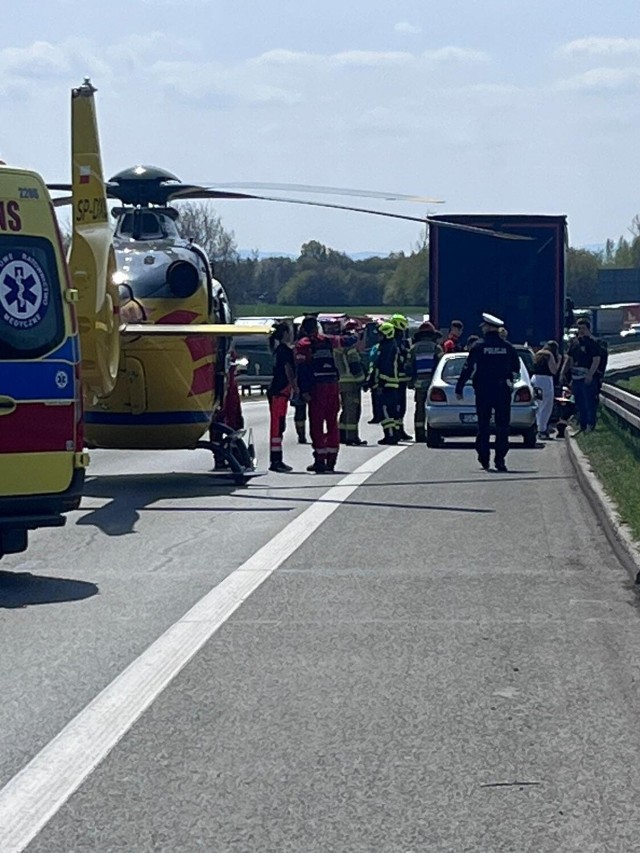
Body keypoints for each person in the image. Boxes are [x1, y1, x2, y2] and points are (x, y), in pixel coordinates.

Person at [455, 312, 520, 472]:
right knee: (502, 426)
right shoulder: (507, 347)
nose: (483, 328)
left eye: (484, 326)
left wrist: (460, 387)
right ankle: (500, 460)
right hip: (502, 391)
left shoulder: (479, 346)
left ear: (489, 327)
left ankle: (484, 457)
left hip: (483, 391)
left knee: (483, 424)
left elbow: (468, 367)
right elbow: (516, 369)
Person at [295, 316, 358, 473]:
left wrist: (304, 391)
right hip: (332, 386)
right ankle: (332, 460)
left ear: (303, 329)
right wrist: (356, 334)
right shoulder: (328, 340)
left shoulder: (303, 345)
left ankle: (320, 460)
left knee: (317, 425)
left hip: (317, 388)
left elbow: (302, 370)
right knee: (332, 424)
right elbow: (347, 341)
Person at [267, 322, 297, 472]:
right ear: (285, 333)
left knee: (279, 427)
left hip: (279, 393)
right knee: (277, 428)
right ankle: (275, 461)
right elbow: (288, 369)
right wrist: (296, 387)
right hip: (279, 392)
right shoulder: (284, 350)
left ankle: (277, 459)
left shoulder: (279, 349)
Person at [563, 317, 601, 434]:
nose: (581, 331)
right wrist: (562, 373)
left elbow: (596, 359)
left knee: (588, 402)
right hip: (575, 378)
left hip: (587, 377)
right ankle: (582, 425)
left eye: (583, 328)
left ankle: (590, 425)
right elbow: (569, 359)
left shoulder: (592, 343)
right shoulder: (574, 343)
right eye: (579, 328)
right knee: (579, 403)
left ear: (588, 329)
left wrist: (590, 375)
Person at [407, 321, 442, 442]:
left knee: (420, 408)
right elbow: (440, 366)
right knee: (433, 408)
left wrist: (411, 381)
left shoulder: (413, 349)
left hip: (419, 383)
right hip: (433, 384)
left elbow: (408, 366)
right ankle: (434, 431)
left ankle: (419, 433)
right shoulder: (436, 348)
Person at [335, 319, 367, 446]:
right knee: (353, 410)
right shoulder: (350, 345)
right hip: (351, 382)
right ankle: (352, 437)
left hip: (341, 382)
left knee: (345, 409)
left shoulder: (339, 344)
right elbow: (354, 365)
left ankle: (341, 434)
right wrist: (362, 380)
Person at [373, 321, 401, 444]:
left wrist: (380, 383)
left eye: (380, 334)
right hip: (391, 384)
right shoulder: (390, 345)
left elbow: (384, 366)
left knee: (385, 411)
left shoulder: (387, 347)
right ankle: (394, 433)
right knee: (391, 411)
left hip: (387, 384)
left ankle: (390, 436)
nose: (378, 337)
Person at [390, 313, 413, 440]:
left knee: (401, 406)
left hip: (401, 379)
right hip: (396, 379)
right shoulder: (395, 342)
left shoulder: (401, 341)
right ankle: (397, 431)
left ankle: (400, 429)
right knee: (397, 406)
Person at [531, 340, 560, 440]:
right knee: (546, 405)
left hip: (535, 378)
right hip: (545, 380)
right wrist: (559, 361)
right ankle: (542, 429)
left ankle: (536, 426)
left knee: (537, 404)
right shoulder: (549, 355)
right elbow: (554, 370)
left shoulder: (538, 353)